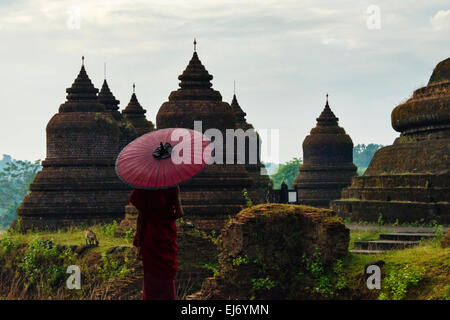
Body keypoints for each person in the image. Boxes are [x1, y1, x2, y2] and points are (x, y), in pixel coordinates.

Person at [130, 185, 183, 300]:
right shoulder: (172, 186)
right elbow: (179, 213)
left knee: (151, 280)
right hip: (166, 236)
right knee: (167, 279)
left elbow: (140, 213)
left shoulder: (145, 185)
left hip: (150, 237)